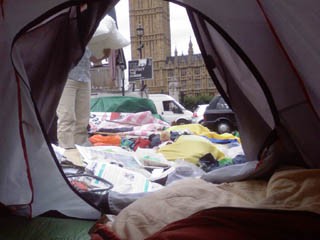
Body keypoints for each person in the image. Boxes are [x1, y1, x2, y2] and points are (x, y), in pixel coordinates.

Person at [56, 47, 110, 149]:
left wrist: (105, 55)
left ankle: (81, 148)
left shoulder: (87, 40)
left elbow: (93, 59)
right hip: (66, 78)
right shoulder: (64, 37)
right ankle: (67, 149)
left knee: (83, 118)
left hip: (85, 79)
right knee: (66, 116)